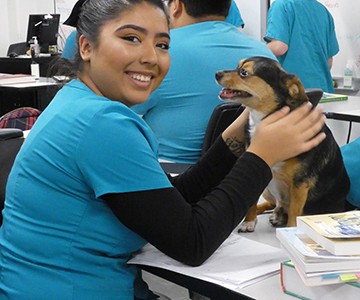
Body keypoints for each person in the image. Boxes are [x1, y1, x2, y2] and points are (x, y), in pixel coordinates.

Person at [0, 0, 326, 299]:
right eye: (130, 38)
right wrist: (262, 156)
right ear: (86, 46)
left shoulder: (77, 101)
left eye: (162, 44)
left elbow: (169, 199)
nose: (150, 57)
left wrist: (233, 140)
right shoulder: (102, 123)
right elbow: (192, 242)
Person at [132, 0, 276, 164]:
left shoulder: (159, 51)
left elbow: (125, 111)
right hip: (244, 175)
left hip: (168, 171)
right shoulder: (264, 55)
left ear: (176, 6)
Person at [264, 0, 339, 93]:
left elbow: (279, 47)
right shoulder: (323, 11)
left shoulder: (281, 5)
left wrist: (254, 51)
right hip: (321, 91)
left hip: (293, 92)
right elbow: (329, 61)